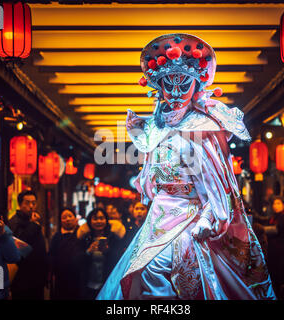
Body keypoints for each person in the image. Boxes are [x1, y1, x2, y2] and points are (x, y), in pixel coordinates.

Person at [97, 33, 274, 300]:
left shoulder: (201, 128)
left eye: (184, 84)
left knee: (162, 269)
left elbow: (214, 181)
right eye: (170, 85)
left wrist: (208, 216)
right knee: (141, 272)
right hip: (159, 216)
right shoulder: (155, 129)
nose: (177, 92)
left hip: (190, 214)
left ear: (196, 86)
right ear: (159, 88)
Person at [9, 190, 48, 300]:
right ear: (20, 204)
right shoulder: (15, 222)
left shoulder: (33, 221)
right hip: (23, 279)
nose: (31, 206)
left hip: (37, 278)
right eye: (27, 203)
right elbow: (19, 246)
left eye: (34, 203)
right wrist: (33, 225)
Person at [78, 208, 122, 299]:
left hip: (108, 283)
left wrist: (108, 251)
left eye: (101, 218)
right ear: (90, 221)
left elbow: (119, 260)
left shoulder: (113, 237)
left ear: (106, 220)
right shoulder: (85, 238)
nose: (98, 221)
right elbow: (77, 260)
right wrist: (88, 251)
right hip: (88, 285)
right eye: (95, 218)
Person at [49, 208, 86, 300]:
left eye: (70, 216)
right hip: (61, 279)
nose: (68, 219)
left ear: (75, 218)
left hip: (79, 278)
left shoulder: (82, 234)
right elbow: (51, 257)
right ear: (60, 220)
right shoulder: (56, 237)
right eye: (64, 217)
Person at [264, 196, 284, 296]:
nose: (275, 206)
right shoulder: (273, 218)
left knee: (280, 276)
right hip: (272, 251)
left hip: (281, 251)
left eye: (278, 203)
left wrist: (261, 229)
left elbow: (277, 230)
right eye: (274, 204)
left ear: (283, 205)